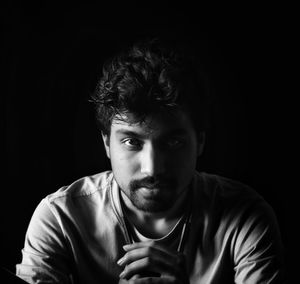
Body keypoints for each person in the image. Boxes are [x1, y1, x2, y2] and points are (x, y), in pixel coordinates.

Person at [16, 38, 285, 283]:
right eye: (132, 142)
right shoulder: (60, 218)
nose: (153, 168)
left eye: (173, 142)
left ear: (200, 141)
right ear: (106, 143)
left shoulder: (246, 217)